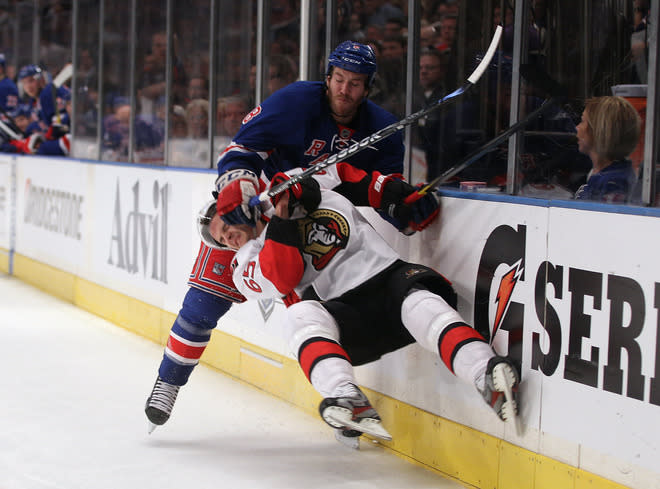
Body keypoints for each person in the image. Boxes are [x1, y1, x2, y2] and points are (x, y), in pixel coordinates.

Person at [144, 40, 441, 431]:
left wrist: (407, 207)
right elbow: (241, 149)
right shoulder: (296, 101)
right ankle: (168, 382)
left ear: (367, 87)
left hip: (320, 229)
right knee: (202, 303)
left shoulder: (383, 128)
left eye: (354, 84)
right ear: (328, 77)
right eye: (338, 80)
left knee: (315, 318)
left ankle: (343, 398)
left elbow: (385, 190)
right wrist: (238, 188)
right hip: (261, 214)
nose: (344, 90)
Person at [207, 170, 520, 443]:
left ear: (242, 213)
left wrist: (308, 186)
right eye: (221, 241)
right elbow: (283, 273)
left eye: (225, 229)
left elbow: (340, 173)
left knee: (423, 305)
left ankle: (486, 375)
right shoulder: (244, 265)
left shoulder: (292, 192)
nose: (228, 240)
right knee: (299, 316)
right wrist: (282, 218)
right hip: (351, 316)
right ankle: (346, 396)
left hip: (390, 281)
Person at [574, 96, 640, 203]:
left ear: (598, 132)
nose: (577, 127)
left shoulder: (613, 184)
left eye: (582, 121)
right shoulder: (606, 175)